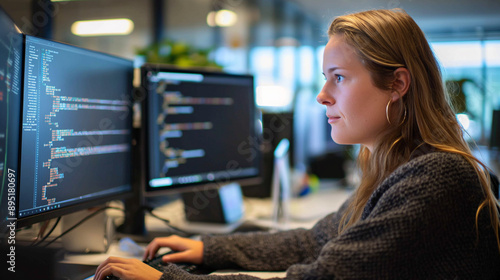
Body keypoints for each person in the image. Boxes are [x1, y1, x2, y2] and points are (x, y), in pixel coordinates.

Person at [95, 8, 500, 280]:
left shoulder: (435, 177)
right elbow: (314, 241)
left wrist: (167, 278)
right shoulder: (398, 165)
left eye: (338, 77)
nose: (323, 95)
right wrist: (206, 249)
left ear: (396, 84)